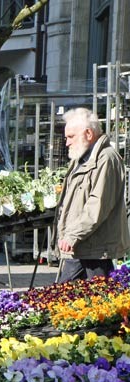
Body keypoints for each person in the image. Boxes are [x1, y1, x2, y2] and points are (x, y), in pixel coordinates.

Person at [56, 107, 130, 282]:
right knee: (64, 293)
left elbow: (98, 204)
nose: (67, 143)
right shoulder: (82, 158)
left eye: (71, 137)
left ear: (88, 133)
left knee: (98, 295)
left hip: (95, 246)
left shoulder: (106, 159)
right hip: (81, 245)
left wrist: (73, 235)